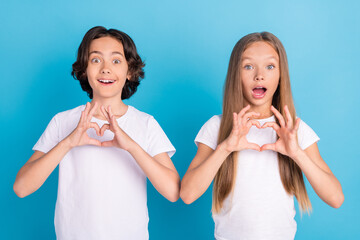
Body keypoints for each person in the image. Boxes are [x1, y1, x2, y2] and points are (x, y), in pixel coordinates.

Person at [13, 26, 180, 240]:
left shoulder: (145, 124)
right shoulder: (62, 121)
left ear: (130, 72)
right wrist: (68, 142)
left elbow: (173, 191)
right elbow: (21, 187)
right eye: (96, 60)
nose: (106, 69)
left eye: (116, 61)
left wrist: (131, 146)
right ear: (84, 70)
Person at [180, 32, 344, 240]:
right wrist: (226, 147)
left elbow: (336, 198)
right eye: (248, 66)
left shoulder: (294, 131)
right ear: (235, 75)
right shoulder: (218, 127)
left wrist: (296, 153)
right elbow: (187, 194)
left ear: (280, 75)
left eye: (270, 66)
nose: (259, 75)